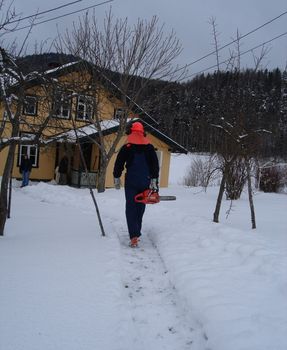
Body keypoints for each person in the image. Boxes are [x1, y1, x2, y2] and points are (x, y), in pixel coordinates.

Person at [113, 121, 159, 247]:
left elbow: (119, 163)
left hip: (131, 181)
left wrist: (116, 178)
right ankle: (136, 232)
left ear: (131, 131)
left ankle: (134, 236)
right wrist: (155, 180)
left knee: (130, 207)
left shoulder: (127, 147)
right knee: (140, 206)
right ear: (143, 132)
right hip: (145, 181)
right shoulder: (149, 147)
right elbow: (155, 165)